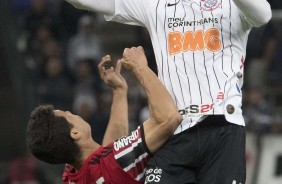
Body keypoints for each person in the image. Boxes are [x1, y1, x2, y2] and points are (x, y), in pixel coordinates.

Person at [64, 0, 272, 183]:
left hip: (223, 128)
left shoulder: (233, 5)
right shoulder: (156, 4)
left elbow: (264, 14)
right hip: (174, 133)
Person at [26, 46, 182, 184]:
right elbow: (168, 119)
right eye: (66, 114)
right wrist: (140, 68)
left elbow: (108, 153)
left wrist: (119, 90)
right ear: (75, 133)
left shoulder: (71, 176)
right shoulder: (113, 162)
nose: (70, 112)